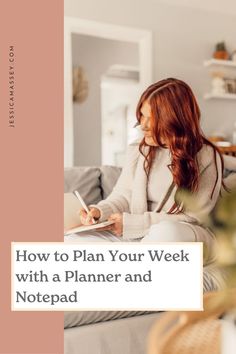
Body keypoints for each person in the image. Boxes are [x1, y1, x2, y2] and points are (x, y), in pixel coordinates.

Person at [72, 78, 224, 273]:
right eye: (142, 116)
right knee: (74, 240)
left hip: (185, 233)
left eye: (152, 119)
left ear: (175, 119)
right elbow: (123, 195)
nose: (143, 126)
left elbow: (194, 217)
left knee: (166, 233)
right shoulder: (138, 149)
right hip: (138, 233)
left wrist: (133, 223)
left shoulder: (206, 156)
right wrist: (100, 212)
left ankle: (131, 268)